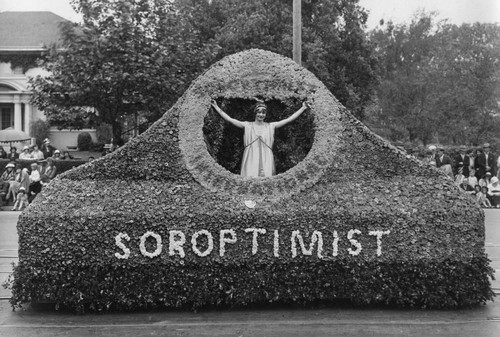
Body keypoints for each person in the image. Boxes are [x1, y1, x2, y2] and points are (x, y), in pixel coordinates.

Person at [211, 99, 310, 177]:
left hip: (267, 157)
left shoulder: (271, 126)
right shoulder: (247, 125)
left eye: (263, 113)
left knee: (266, 179)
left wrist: (303, 108)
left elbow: (288, 120)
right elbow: (230, 119)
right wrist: (216, 106)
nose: (261, 115)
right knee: (250, 178)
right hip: (250, 156)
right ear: (255, 113)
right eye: (259, 112)